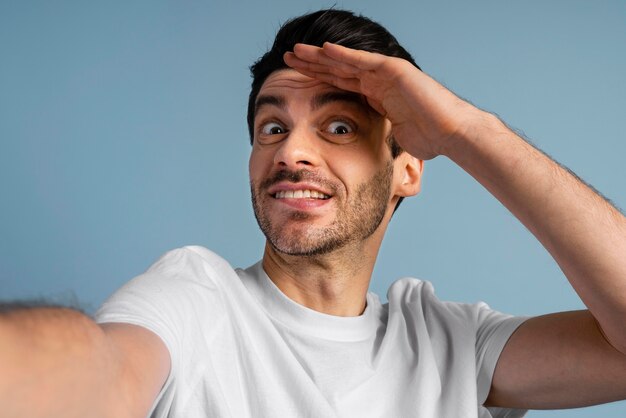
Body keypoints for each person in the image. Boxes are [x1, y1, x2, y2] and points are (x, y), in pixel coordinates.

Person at [1, 8, 625, 418]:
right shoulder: (196, 299)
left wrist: (467, 130)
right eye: (272, 126)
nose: (291, 150)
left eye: (339, 127)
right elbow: (103, 371)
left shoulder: (452, 347)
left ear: (407, 169)